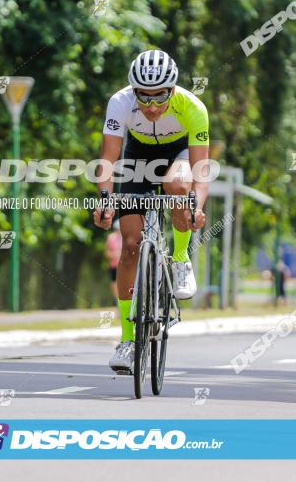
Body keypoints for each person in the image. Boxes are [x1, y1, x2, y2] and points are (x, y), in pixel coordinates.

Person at [92, 49, 209, 374]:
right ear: (134, 91)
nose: (153, 106)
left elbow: (201, 169)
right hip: (138, 156)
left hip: (180, 153)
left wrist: (196, 206)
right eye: (145, 97)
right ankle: (128, 340)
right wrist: (105, 198)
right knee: (130, 246)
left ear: (172, 89)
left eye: (160, 97)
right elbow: (108, 157)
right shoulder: (120, 103)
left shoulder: (193, 108)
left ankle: (181, 258)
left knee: (176, 185)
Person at [104, 220, 123, 300]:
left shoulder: (126, 237)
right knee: (114, 283)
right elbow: (106, 253)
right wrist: (115, 254)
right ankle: (117, 299)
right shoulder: (110, 238)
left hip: (124, 265)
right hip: (114, 265)